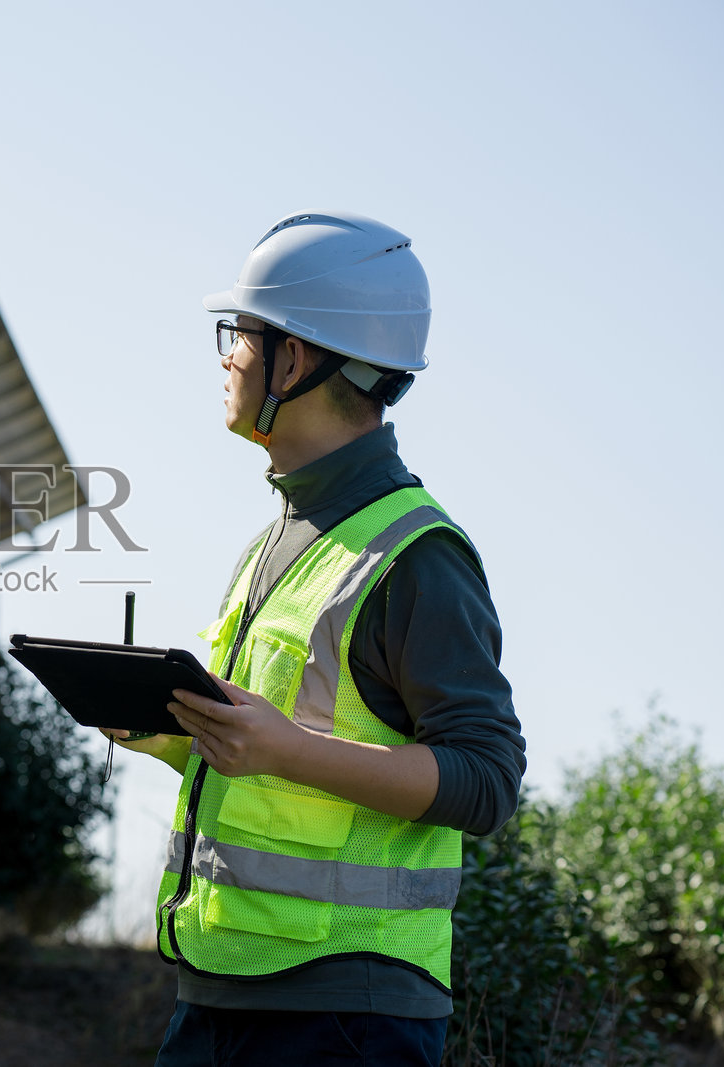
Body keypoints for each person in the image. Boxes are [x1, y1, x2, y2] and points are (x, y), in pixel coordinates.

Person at [109, 211, 526, 1065]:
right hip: (222, 992)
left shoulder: (416, 554)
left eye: (241, 335)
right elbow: (271, 756)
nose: (228, 356)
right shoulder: (276, 542)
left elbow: (486, 780)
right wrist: (175, 735)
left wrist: (282, 748)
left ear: (293, 359)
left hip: (345, 1019)